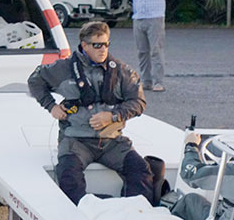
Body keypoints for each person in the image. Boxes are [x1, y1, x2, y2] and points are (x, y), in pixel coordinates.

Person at [28, 20, 152, 205]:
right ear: (84, 45)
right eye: (97, 45)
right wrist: (51, 106)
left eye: (106, 44)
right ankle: (81, 217)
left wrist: (113, 116)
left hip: (111, 141)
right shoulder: (63, 68)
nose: (103, 50)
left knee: (141, 171)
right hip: (76, 140)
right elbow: (35, 81)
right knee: (69, 177)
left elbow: (139, 102)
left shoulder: (121, 71)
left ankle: (134, 213)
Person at [123, 0, 169, 93]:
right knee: (142, 52)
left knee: (156, 50)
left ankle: (158, 82)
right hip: (138, 17)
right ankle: (146, 81)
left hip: (155, 17)